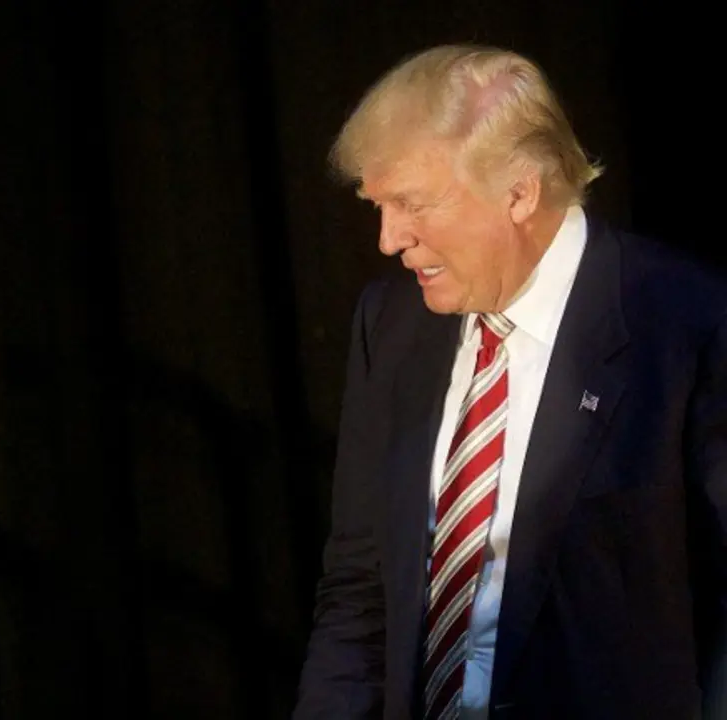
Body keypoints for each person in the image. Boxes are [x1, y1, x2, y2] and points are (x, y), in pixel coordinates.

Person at [291, 44, 726, 720]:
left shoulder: (687, 323)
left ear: (519, 192)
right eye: (377, 206)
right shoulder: (392, 323)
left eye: (411, 203)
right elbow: (362, 589)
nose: (387, 239)